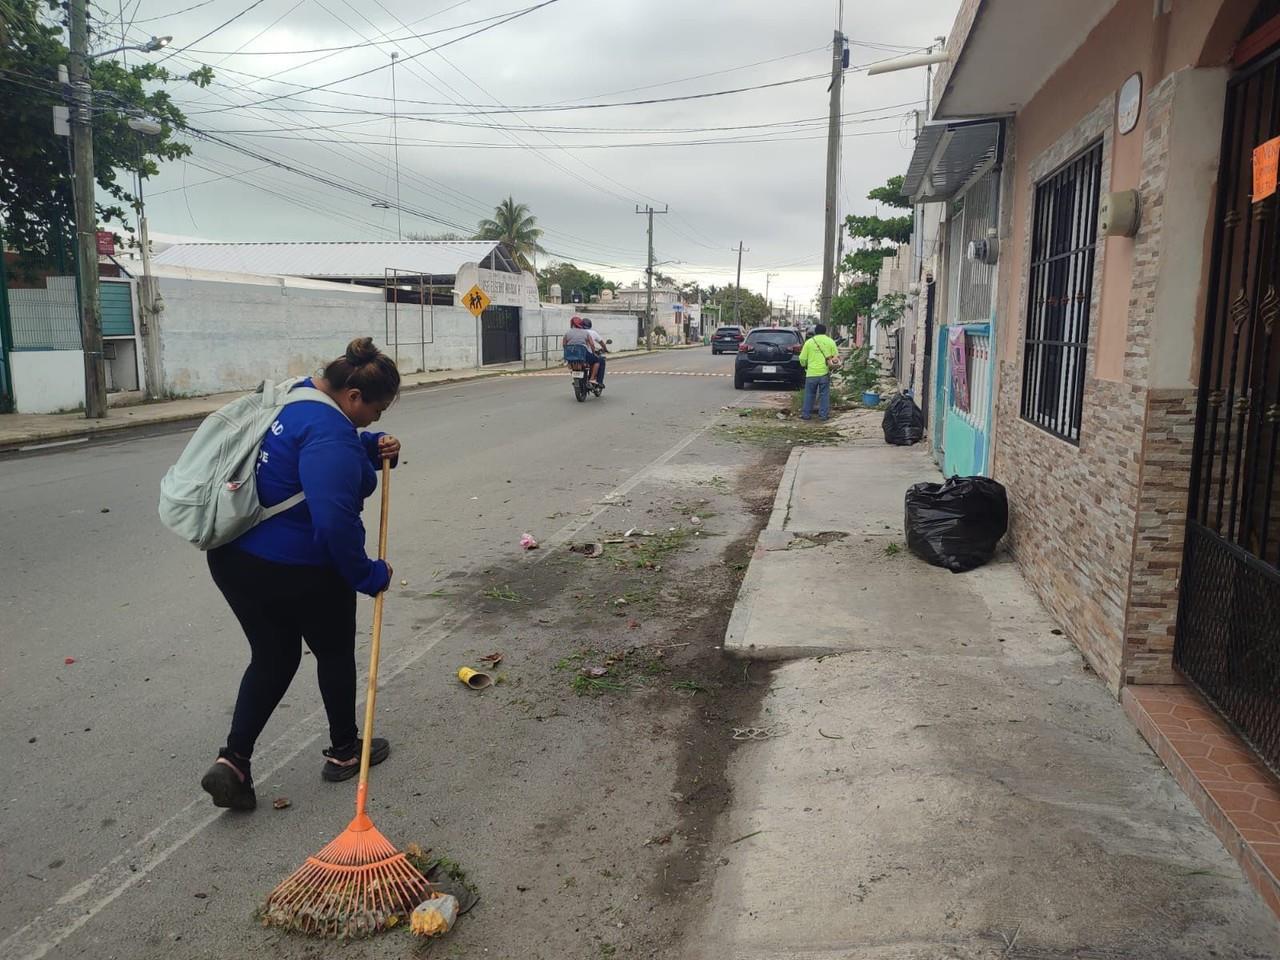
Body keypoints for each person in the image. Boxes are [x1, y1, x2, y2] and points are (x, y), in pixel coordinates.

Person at [200, 337, 402, 812]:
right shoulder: (331, 432)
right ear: (353, 397)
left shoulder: (295, 395)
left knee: (272, 656)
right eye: (377, 409)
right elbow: (333, 521)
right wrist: (368, 574)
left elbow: (302, 460)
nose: (376, 418)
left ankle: (233, 761)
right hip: (296, 566)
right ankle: (345, 753)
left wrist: (369, 446)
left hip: (234, 557)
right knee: (332, 651)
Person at [797, 322, 840, 422]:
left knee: (809, 394)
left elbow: (802, 358)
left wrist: (805, 366)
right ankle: (823, 416)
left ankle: (806, 415)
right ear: (825, 332)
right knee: (824, 395)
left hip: (811, 373)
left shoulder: (809, 342)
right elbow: (836, 358)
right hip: (824, 373)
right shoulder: (830, 342)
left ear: (815, 332)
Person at [563, 315, 601, 385]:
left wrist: (566, 354)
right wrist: (593, 353)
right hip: (583, 354)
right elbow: (592, 344)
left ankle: (574, 375)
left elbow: (564, 345)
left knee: (569, 363)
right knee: (597, 361)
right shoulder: (585, 332)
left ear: (572, 324)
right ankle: (592, 379)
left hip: (571, 355)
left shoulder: (567, 333)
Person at [583, 318, 608, 387]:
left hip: (578, 355)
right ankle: (598, 381)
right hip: (588, 354)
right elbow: (601, 343)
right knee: (601, 360)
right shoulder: (593, 332)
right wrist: (605, 349)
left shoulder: (579, 332)